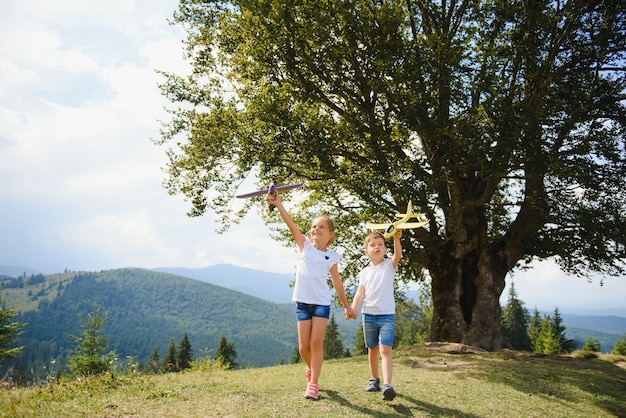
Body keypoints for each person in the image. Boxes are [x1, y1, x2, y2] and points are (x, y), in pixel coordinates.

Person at [268, 189, 355, 400]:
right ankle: (311, 369)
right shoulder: (305, 247)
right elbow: (291, 224)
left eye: (322, 227)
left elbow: (337, 282)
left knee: (316, 343)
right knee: (303, 348)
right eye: (314, 227)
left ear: (331, 234)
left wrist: (346, 305)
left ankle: (313, 384)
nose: (317, 229)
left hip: (321, 304)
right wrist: (278, 203)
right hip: (302, 304)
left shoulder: (332, 257)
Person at [351, 229, 402, 401]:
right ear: (367, 252)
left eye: (380, 244)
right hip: (369, 315)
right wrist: (353, 309)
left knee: (385, 349)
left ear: (386, 250)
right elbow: (360, 293)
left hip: (387, 315)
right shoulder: (364, 272)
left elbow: (398, 256)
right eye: (373, 245)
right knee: (372, 349)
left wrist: (396, 239)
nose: (377, 247)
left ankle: (388, 385)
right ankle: (375, 379)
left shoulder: (389, 265)